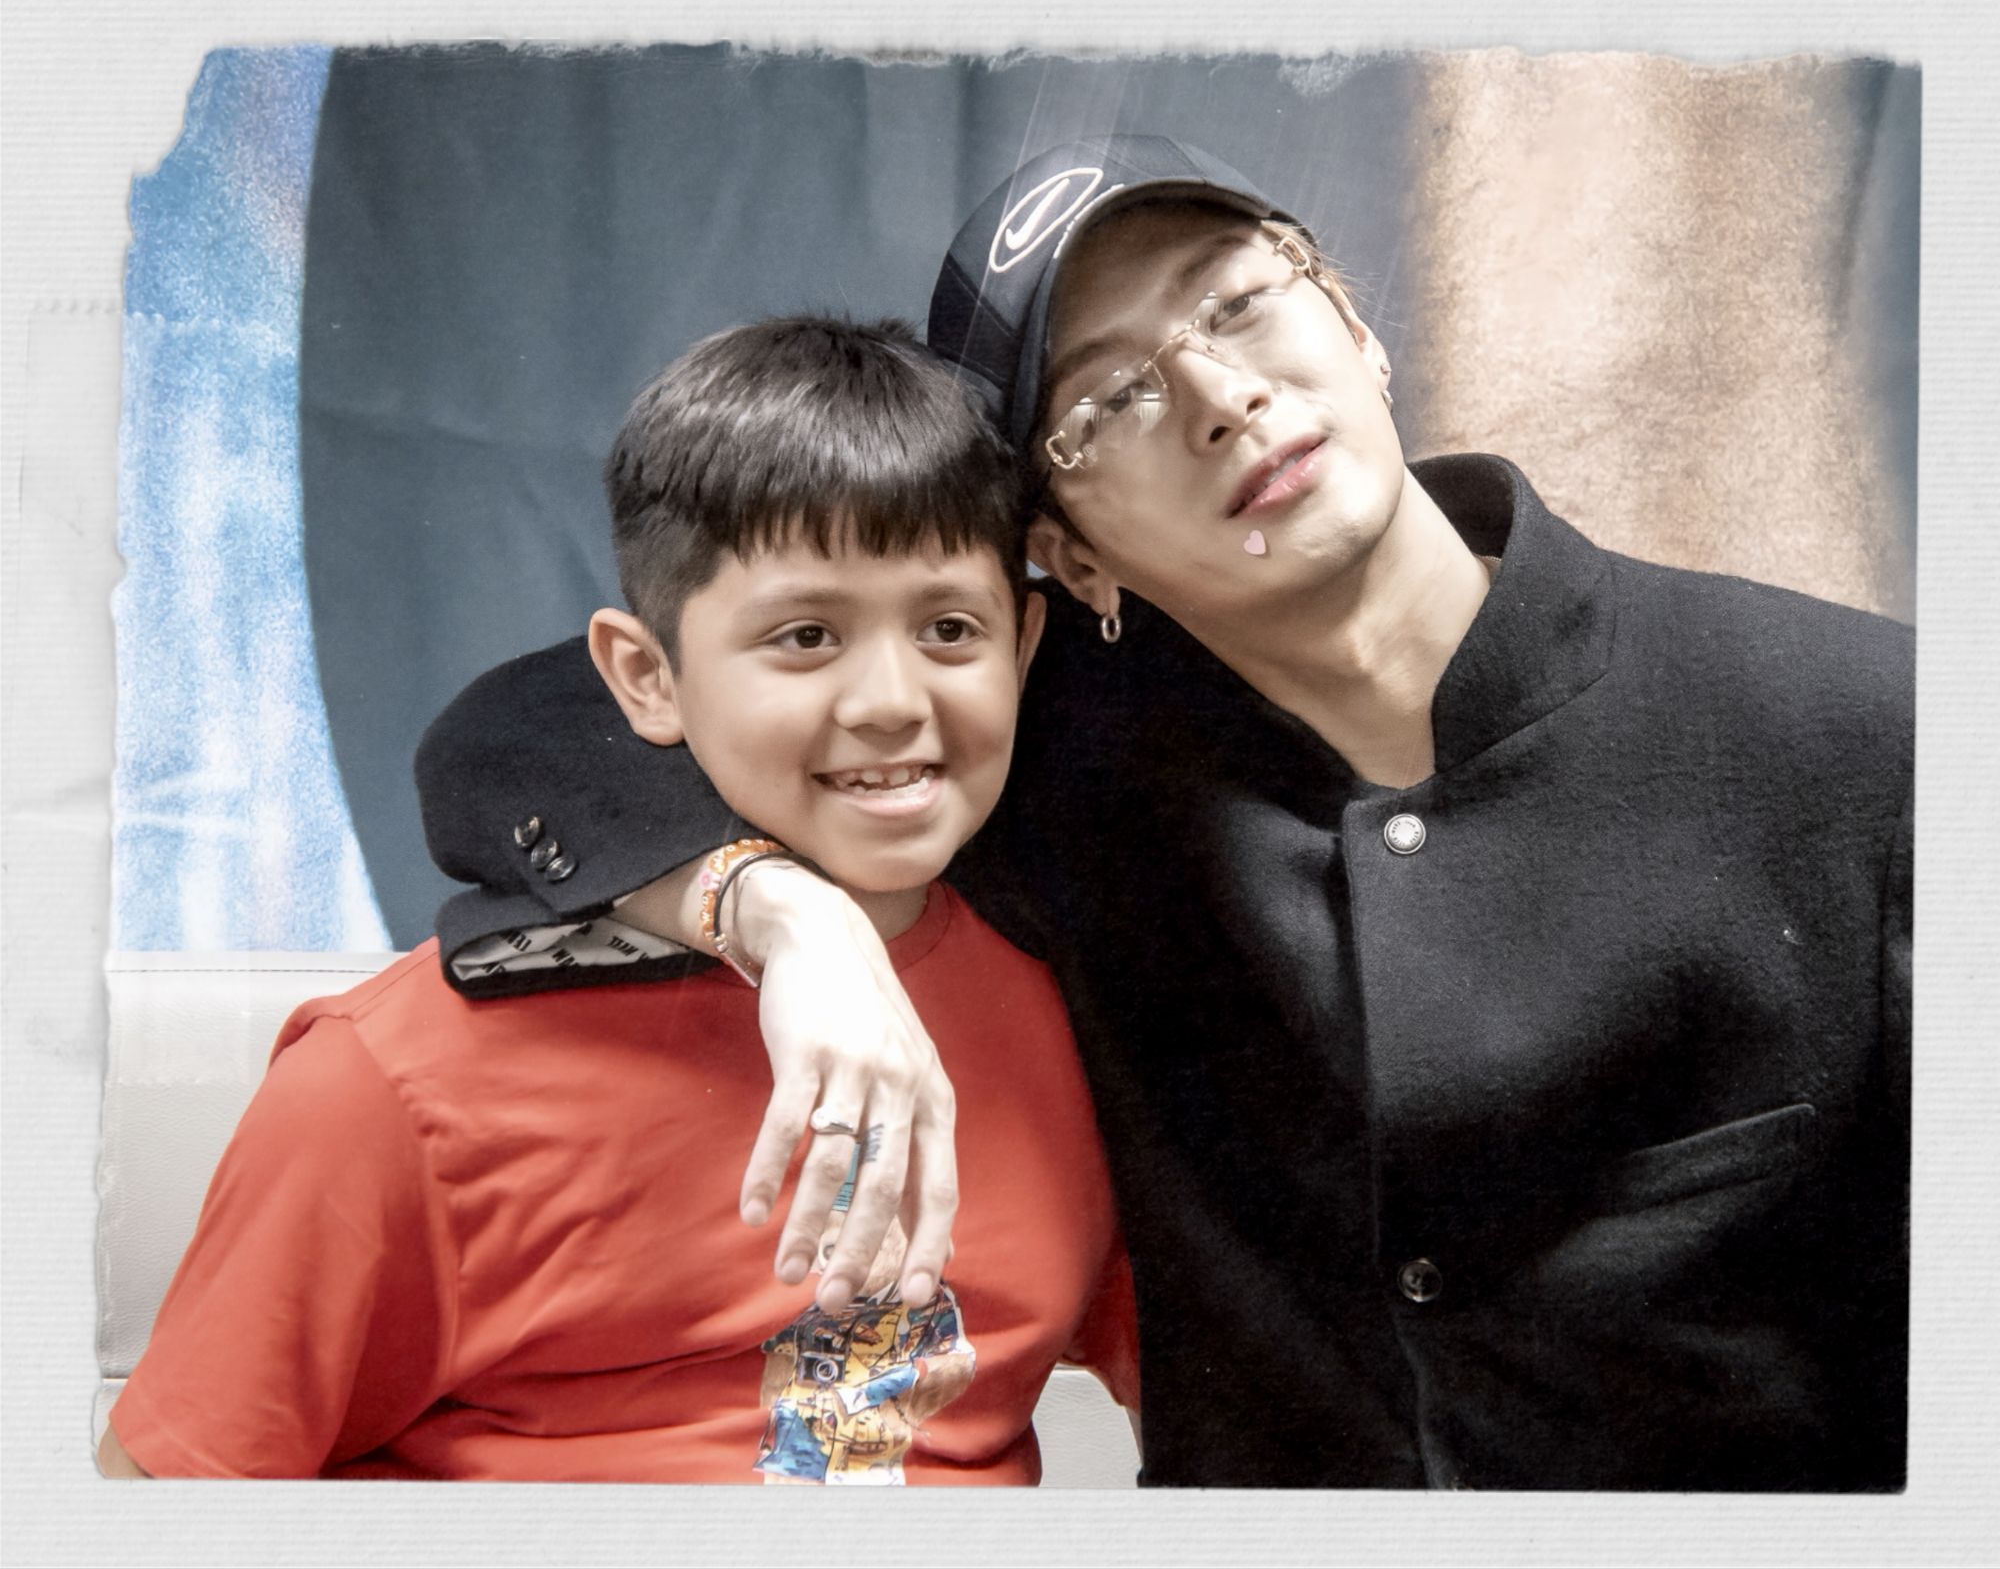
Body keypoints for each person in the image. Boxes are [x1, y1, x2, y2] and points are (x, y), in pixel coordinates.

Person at [419, 138, 1911, 1490]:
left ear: (1354, 325)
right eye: (1110, 400)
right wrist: (784, 915)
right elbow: (524, 735)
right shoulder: (1060, 757)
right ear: (1066, 558)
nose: (1218, 397)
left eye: (1239, 303)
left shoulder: (1853, 726)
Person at [98, 316, 1136, 1483]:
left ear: (1022, 645)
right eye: (805, 636)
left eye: (948, 628)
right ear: (646, 676)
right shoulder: (387, 1084)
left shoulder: (1084, 1025)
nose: (891, 700)